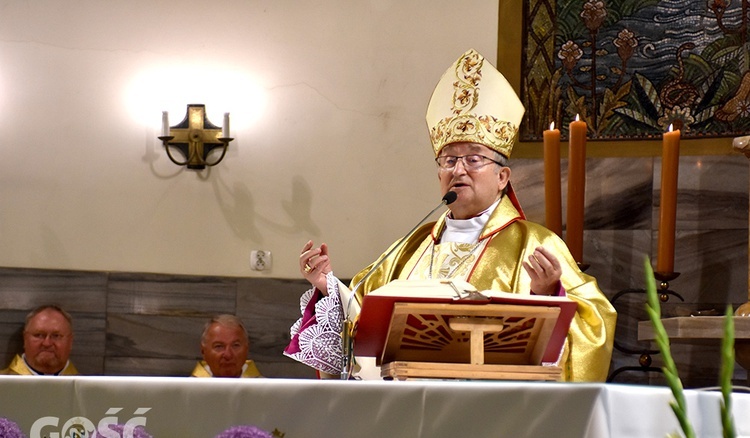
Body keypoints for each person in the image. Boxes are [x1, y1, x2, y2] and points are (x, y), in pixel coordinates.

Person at [284, 49, 616, 382]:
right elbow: (363, 315)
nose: (459, 169)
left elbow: (594, 324)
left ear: (503, 178)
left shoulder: (535, 243)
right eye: (448, 160)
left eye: (474, 159)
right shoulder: (413, 244)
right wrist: (327, 286)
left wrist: (547, 296)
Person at [1, 304, 79, 375]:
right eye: (39, 335)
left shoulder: (86, 388)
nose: (47, 343)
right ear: (25, 339)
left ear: (70, 341)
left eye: (56, 336)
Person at [191, 314, 262, 378]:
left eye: (235, 345)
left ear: (247, 349)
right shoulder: (186, 391)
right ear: (203, 351)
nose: (228, 355)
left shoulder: (266, 391)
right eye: (219, 346)